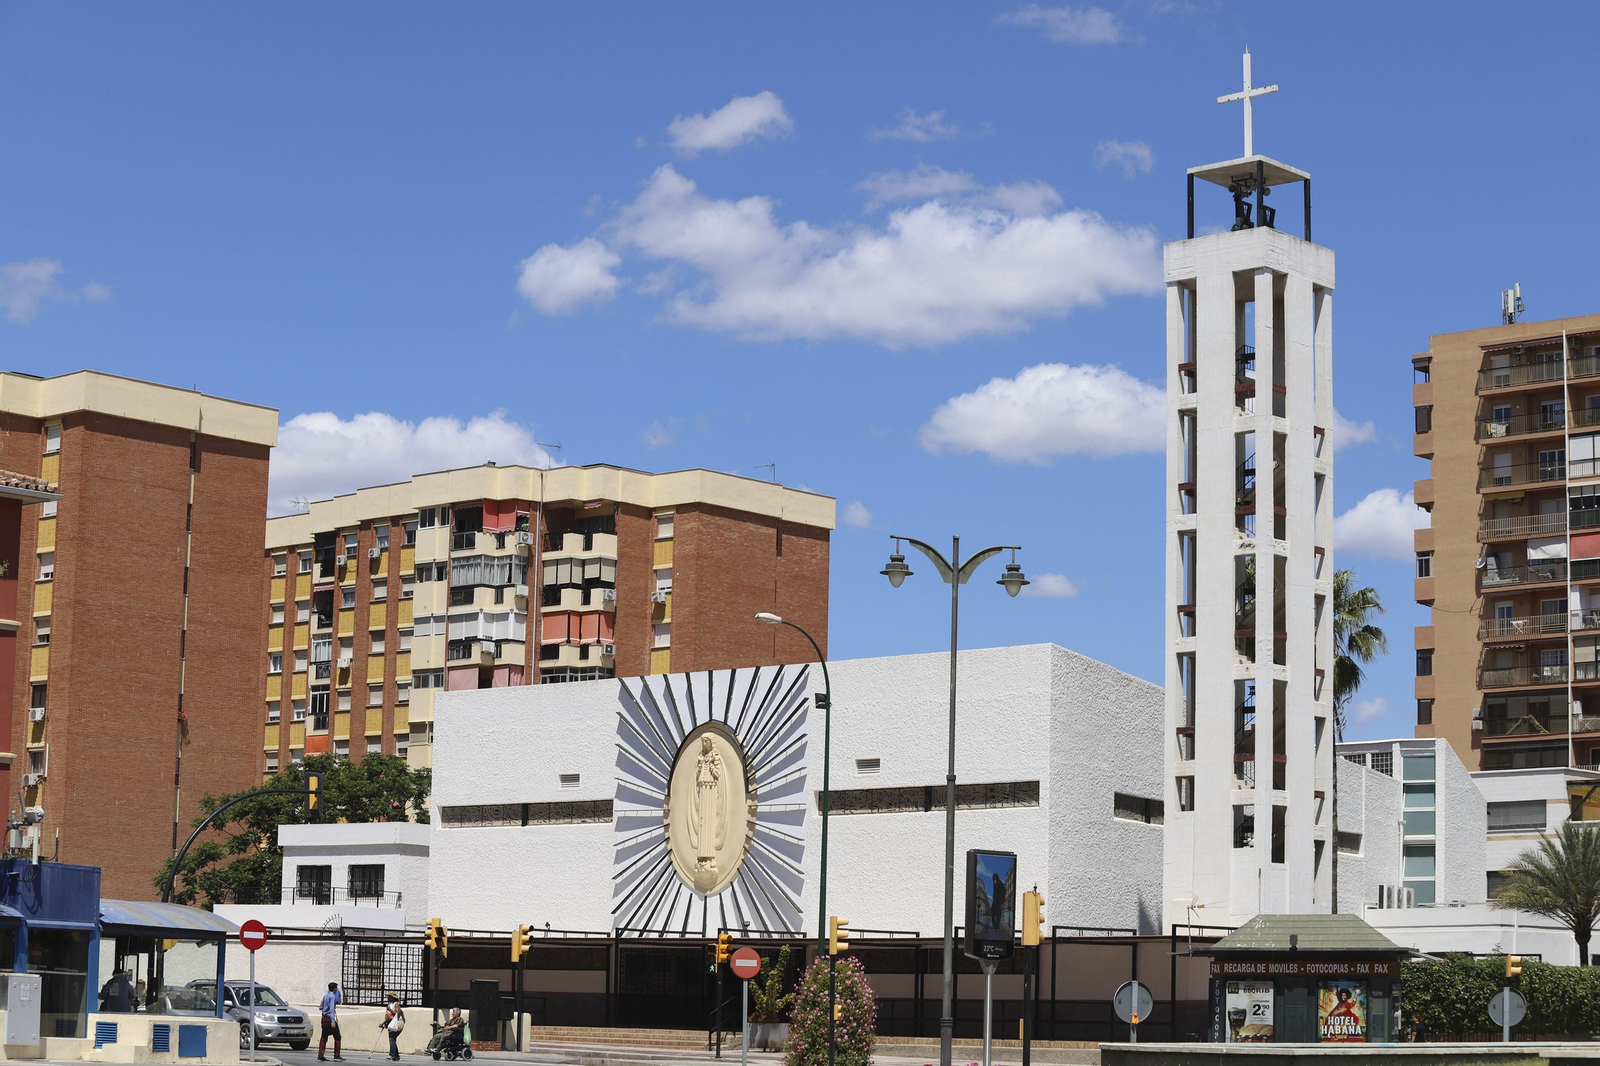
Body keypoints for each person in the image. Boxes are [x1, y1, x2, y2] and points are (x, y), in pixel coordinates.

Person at [318, 981, 343, 1061]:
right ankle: (337, 1054)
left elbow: (320, 1006)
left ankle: (320, 1054)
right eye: (336, 988)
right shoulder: (332, 997)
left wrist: (325, 1008)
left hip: (324, 1018)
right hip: (329, 1018)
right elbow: (332, 1009)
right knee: (337, 1037)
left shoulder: (325, 996)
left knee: (324, 1037)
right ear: (334, 989)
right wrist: (333, 1021)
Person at [382, 993, 406, 1062]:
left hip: (397, 1024)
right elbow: (389, 1016)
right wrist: (384, 1023)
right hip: (391, 1024)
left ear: (393, 997)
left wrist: (390, 1010)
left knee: (392, 1038)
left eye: (389, 996)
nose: (388, 998)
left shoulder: (396, 1004)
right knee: (392, 1039)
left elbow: (397, 1014)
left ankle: (392, 1055)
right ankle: (397, 1056)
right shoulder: (390, 1004)